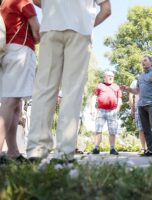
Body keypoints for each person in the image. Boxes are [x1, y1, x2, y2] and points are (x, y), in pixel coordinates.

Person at [26, 0, 111, 161]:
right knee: (72, 91)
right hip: (80, 30)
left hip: (51, 26)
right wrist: (88, 24)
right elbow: (106, 9)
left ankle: (36, 149)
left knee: (44, 89)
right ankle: (64, 152)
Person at [0, 0, 39, 163]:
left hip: (9, 53)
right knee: (10, 103)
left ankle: (13, 152)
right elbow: (37, 33)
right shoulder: (22, 1)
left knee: (16, 104)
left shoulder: (4, 4)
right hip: (21, 51)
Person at [121, 55, 152, 158]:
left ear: (151, 62)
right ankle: (150, 150)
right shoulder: (140, 76)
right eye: (142, 61)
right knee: (145, 129)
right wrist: (127, 89)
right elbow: (137, 91)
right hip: (141, 105)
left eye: (145, 60)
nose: (143, 62)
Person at [91, 71, 122, 155]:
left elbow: (119, 99)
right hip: (100, 110)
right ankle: (96, 148)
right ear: (104, 77)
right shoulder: (99, 86)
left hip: (112, 111)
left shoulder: (116, 87)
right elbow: (94, 97)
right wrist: (92, 109)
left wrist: (117, 109)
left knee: (112, 131)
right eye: (109, 76)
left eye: (112, 76)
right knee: (98, 129)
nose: (111, 77)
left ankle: (112, 149)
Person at [129, 77, 146, 154]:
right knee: (141, 128)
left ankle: (151, 147)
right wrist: (132, 107)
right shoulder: (135, 82)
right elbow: (130, 95)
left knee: (151, 128)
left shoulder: (150, 80)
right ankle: (143, 148)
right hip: (138, 106)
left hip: (149, 106)